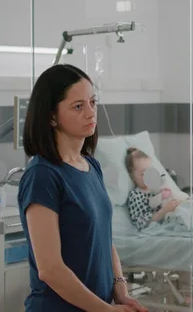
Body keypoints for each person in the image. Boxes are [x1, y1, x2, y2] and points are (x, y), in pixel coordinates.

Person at [18, 64, 148, 312]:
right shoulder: (42, 176)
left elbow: (104, 239)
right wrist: (106, 310)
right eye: (78, 106)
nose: (90, 113)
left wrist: (120, 289)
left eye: (92, 102)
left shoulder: (91, 166)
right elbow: (50, 270)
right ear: (52, 116)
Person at [125, 147, 181, 231]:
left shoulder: (156, 188)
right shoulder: (135, 196)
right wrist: (164, 210)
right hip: (161, 225)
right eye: (143, 173)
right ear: (132, 176)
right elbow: (141, 224)